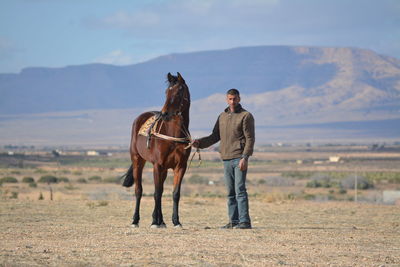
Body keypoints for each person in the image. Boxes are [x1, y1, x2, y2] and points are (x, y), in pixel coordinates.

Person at [193, 88, 255, 229]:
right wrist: (200, 143)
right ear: (227, 99)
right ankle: (233, 222)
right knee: (230, 192)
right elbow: (215, 136)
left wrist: (245, 157)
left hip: (239, 157)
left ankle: (244, 221)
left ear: (239, 99)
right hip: (226, 158)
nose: (232, 101)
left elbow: (250, 139)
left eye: (235, 99)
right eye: (230, 99)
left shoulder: (246, 116)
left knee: (240, 190)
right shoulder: (222, 116)